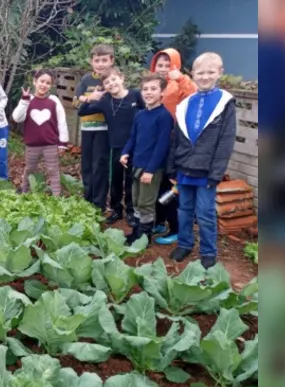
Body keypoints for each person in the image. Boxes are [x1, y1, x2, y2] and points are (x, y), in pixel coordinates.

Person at [166, 52, 237, 269]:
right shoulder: (186, 103)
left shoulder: (225, 103)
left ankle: (208, 251)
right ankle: (185, 244)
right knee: (184, 210)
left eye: (210, 72)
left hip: (206, 172)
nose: (205, 77)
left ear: (219, 73)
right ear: (192, 74)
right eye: (200, 72)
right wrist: (172, 167)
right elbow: (176, 138)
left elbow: (226, 141)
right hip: (184, 168)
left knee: (205, 213)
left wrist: (216, 173)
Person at [77, 67, 145, 225]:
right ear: (104, 86)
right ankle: (116, 210)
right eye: (107, 82)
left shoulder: (135, 95)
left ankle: (130, 211)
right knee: (115, 180)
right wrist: (89, 98)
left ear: (121, 78)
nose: (111, 84)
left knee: (130, 181)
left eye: (114, 79)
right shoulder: (105, 100)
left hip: (134, 146)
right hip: (114, 146)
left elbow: (146, 112)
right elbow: (82, 112)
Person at [149, 48, 198, 244]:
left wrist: (181, 79)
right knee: (158, 183)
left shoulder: (180, 84)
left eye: (167, 65)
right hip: (156, 143)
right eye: (159, 65)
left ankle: (176, 228)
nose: (163, 69)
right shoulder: (154, 85)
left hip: (174, 142)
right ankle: (159, 221)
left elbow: (194, 94)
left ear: (176, 65)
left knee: (171, 185)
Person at [119, 73, 174, 245]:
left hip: (152, 168)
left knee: (146, 203)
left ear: (162, 91)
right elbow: (133, 138)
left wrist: (150, 170)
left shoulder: (164, 116)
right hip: (137, 165)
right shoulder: (140, 115)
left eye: (153, 89)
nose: (148, 92)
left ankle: (145, 237)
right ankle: (136, 232)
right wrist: (125, 152)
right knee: (135, 200)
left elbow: (162, 146)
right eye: (145, 89)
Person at [11, 69, 69, 195]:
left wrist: (63, 143)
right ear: (35, 81)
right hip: (32, 144)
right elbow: (17, 117)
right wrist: (24, 101)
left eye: (48, 83)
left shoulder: (54, 101)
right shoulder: (28, 100)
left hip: (51, 144)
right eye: (42, 81)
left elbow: (62, 122)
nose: (44, 85)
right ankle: (24, 192)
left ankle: (57, 196)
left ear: (51, 86)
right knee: (30, 169)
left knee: (53, 170)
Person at [74, 44, 115, 209]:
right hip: (86, 129)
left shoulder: (112, 79)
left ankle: (99, 203)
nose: (100, 64)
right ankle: (88, 199)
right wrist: (89, 98)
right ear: (91, 62)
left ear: (111, 61)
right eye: (97, 60)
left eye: (104, 60)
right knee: (87, 166)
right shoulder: (86, 79)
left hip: (104, 130)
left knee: (100, 166)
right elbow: (75, 101)